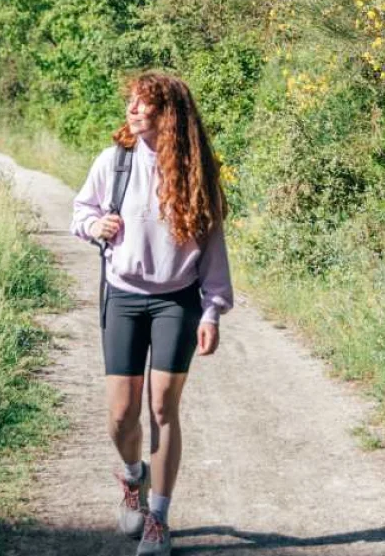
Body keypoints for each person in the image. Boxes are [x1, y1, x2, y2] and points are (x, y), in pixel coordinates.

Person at [69, 71, 232, 556]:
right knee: (121, 416)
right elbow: (79, 212)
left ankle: (158, 518)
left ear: (170, 116)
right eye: (132, 104)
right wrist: (96, 224)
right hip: (122, 295)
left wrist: (212, 311)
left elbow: (213, 247)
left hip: (176, 299)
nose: (135, 111)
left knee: (162, 408)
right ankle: (132, 476)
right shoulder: (114, 161)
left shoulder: (198, 168)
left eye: (146, 106)